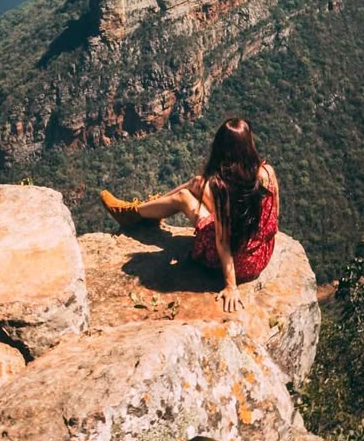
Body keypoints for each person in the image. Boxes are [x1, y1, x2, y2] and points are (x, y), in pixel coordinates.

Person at [100, 117, 279, 313]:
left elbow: (222, 241)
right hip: (261, 253)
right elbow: (272, 214)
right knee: (196, 182)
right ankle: (146, 208)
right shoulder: (266, 172)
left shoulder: (221, 188)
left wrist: (231, 286)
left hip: (240, 262)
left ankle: (134, 213)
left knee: (184, 197)